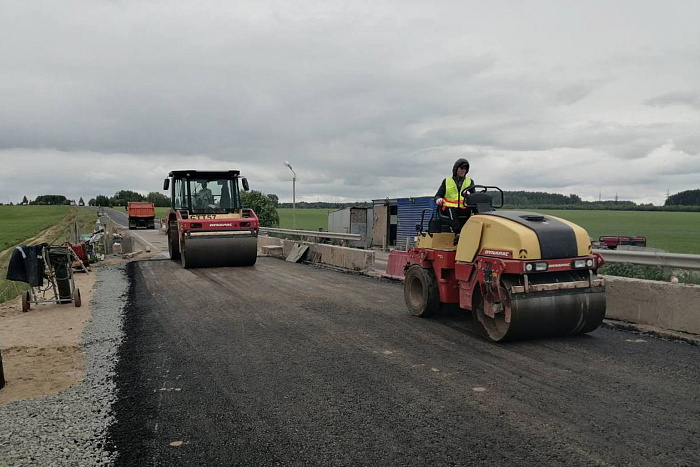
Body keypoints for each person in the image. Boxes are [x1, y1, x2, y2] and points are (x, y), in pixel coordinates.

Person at [434, 158, 475, 235]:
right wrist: (438, 199)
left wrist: (469, 194)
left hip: (464, 207)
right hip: (449, 207)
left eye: (465, 169)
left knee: (476, 210)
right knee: (452, 211)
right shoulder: (447, 181)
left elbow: (474, 196)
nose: (463, 170)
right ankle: (458, 233)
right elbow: (438, 195)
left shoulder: (470, 181)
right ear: (456, 168)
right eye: (461, 168)